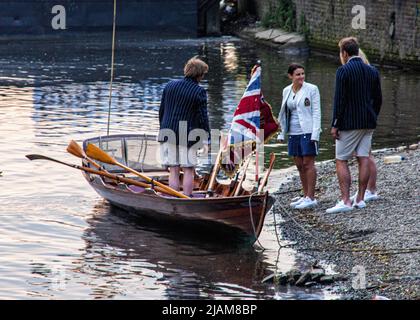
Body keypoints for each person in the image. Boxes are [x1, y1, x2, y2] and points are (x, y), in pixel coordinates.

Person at [326, 37, 382, 214]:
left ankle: (345, 201)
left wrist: (335, 124)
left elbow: (339, 100)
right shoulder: (372, 71)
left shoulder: (343, 71)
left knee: (341, 160)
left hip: (349, 123)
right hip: (368, 122)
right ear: (357, 51)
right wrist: (372, 115)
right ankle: (360, 199)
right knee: (363, 157)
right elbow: (378, 99)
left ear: (344, 52)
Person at [158, 56, 210, 197]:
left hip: (167, 131)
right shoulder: (199, 91)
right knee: (188, 169)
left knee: (173, 169)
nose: (203, 77)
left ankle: (175, 198)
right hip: (187, 135)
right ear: (199, 74)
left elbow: (162, 111)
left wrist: (162, 130)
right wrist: (207, 139)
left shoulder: (170, 85)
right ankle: (186, 198)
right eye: (203, 74)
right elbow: (202, 117)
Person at [277, 63, 321, 209]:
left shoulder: (312, 89)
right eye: (298, 74)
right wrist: (282, 132)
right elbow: (284, 113)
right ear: (290, 76)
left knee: (308, 164)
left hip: (308, 131)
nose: (301, 77)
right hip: (293, 132)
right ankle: (305, 194)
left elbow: (316, 112)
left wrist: (315, 133)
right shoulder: (286, 90)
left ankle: (311, 197)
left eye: (302, 73)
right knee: (299, 165)